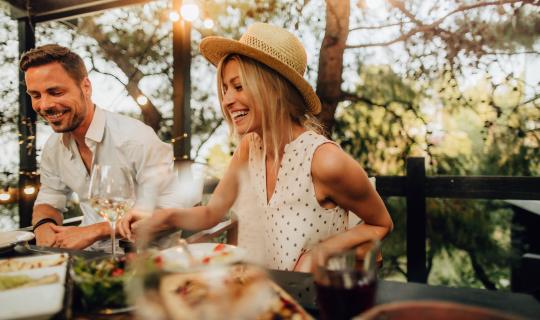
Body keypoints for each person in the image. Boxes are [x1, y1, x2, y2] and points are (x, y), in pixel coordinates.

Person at [119, 23, 393, 271]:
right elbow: (211, 213)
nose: (227, 100)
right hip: (264, 297)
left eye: (238, 86)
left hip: (316, 302)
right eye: (225, 89)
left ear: (274, 89)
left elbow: (381, 223)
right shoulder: (250, 147)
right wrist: (162, 216)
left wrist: (322, 252)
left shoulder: (325, 160)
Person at [20, 44, 188, 251]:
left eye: (55, 92)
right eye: (36, 95)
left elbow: (171, 212)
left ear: (86, 87)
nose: (44, 105)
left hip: (148, 262)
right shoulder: (53, 148)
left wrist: (97, 230)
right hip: (86, 261)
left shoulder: (136, 139)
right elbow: (50, 199)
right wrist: (43, 225)